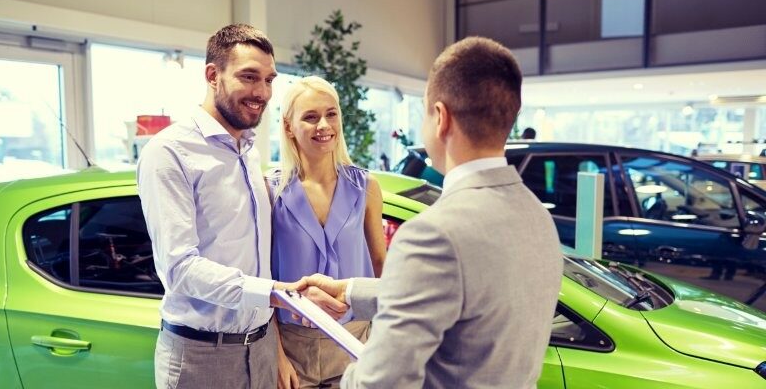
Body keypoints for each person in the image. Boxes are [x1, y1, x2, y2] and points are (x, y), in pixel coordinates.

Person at [303, 37, 563, 389]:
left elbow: (381, 383)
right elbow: (463, 297)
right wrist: (348, 291)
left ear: (440, 118)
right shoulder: (537, 216)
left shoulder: (434, 234)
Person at [137, 24, 310, 389]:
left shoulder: (249, 150)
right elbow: (179, 268)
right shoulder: (169, 152)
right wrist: (275, 292)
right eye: (249, 77)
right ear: (213, 75)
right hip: (201, 356)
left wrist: (274, 344)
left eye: (268, 80)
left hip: (260, 346)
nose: (261, 92)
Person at [269, 76, 386, 388]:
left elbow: (381, 266)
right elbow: (261, 278)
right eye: (310, 117)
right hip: (294, 347)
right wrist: (277, 355)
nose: (324, 125)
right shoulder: (270, 191)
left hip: (356, 340)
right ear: (288, 126)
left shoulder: (366, 187)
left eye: (331, 114)